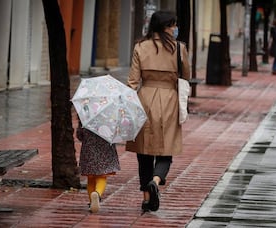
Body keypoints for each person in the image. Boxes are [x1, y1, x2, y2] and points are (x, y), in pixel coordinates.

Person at [125, 10, 190, 212]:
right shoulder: (179, 48)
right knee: (166, 149)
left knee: (143, 150)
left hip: (144, 100)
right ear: (164, 26)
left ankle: (146, 197)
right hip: (170, 100)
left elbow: (132, 82)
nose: (174, 28)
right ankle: (156, 179)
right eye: (172, 25)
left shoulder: (140, 47)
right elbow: (186, 75)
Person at [76, 122, 120, 213]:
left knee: (90, 178)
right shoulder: (109, 117)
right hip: (105, 150)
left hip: (89, 150)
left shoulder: (86, 116)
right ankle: (97, 193)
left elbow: (80, 135)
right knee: (101, 176)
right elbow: (115, 134)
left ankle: (92, 202)